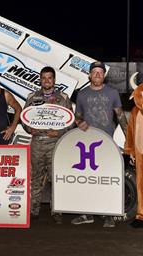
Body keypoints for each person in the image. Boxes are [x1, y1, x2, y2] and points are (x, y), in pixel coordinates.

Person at [71, 61, 128, 228]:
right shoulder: (82, 94)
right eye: (94, 72)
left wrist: (128, 138)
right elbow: (77, 116)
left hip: (107, 142)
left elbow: (120, 116)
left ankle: (108, 214)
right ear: (89, 75)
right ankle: (86, 213)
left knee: (107, 179)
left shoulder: (113, 92)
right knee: (87, 179)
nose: (97, 74)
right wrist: (79, 122)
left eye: (100, 72)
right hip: (87, 144)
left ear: (104, 75)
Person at [22, 66, 74, 224]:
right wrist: (29, 128)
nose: (46, 81)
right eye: (43, 78)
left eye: (49, 78)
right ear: (40, 79)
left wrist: (59, 133)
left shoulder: (63, 98)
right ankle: (34, 210)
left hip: (55, 144)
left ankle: (56, 211)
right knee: (36, 178)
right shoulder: (32, 97)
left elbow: (71, 123)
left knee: (55, 179)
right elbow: (24, 120)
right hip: (37, 144)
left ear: (54, 80)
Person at [124, 83, 143, 228]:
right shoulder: (135, 112)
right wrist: (129, 150)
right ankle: (141, 215)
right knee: (140, 185)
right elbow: (130, 132)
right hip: (140, 153)